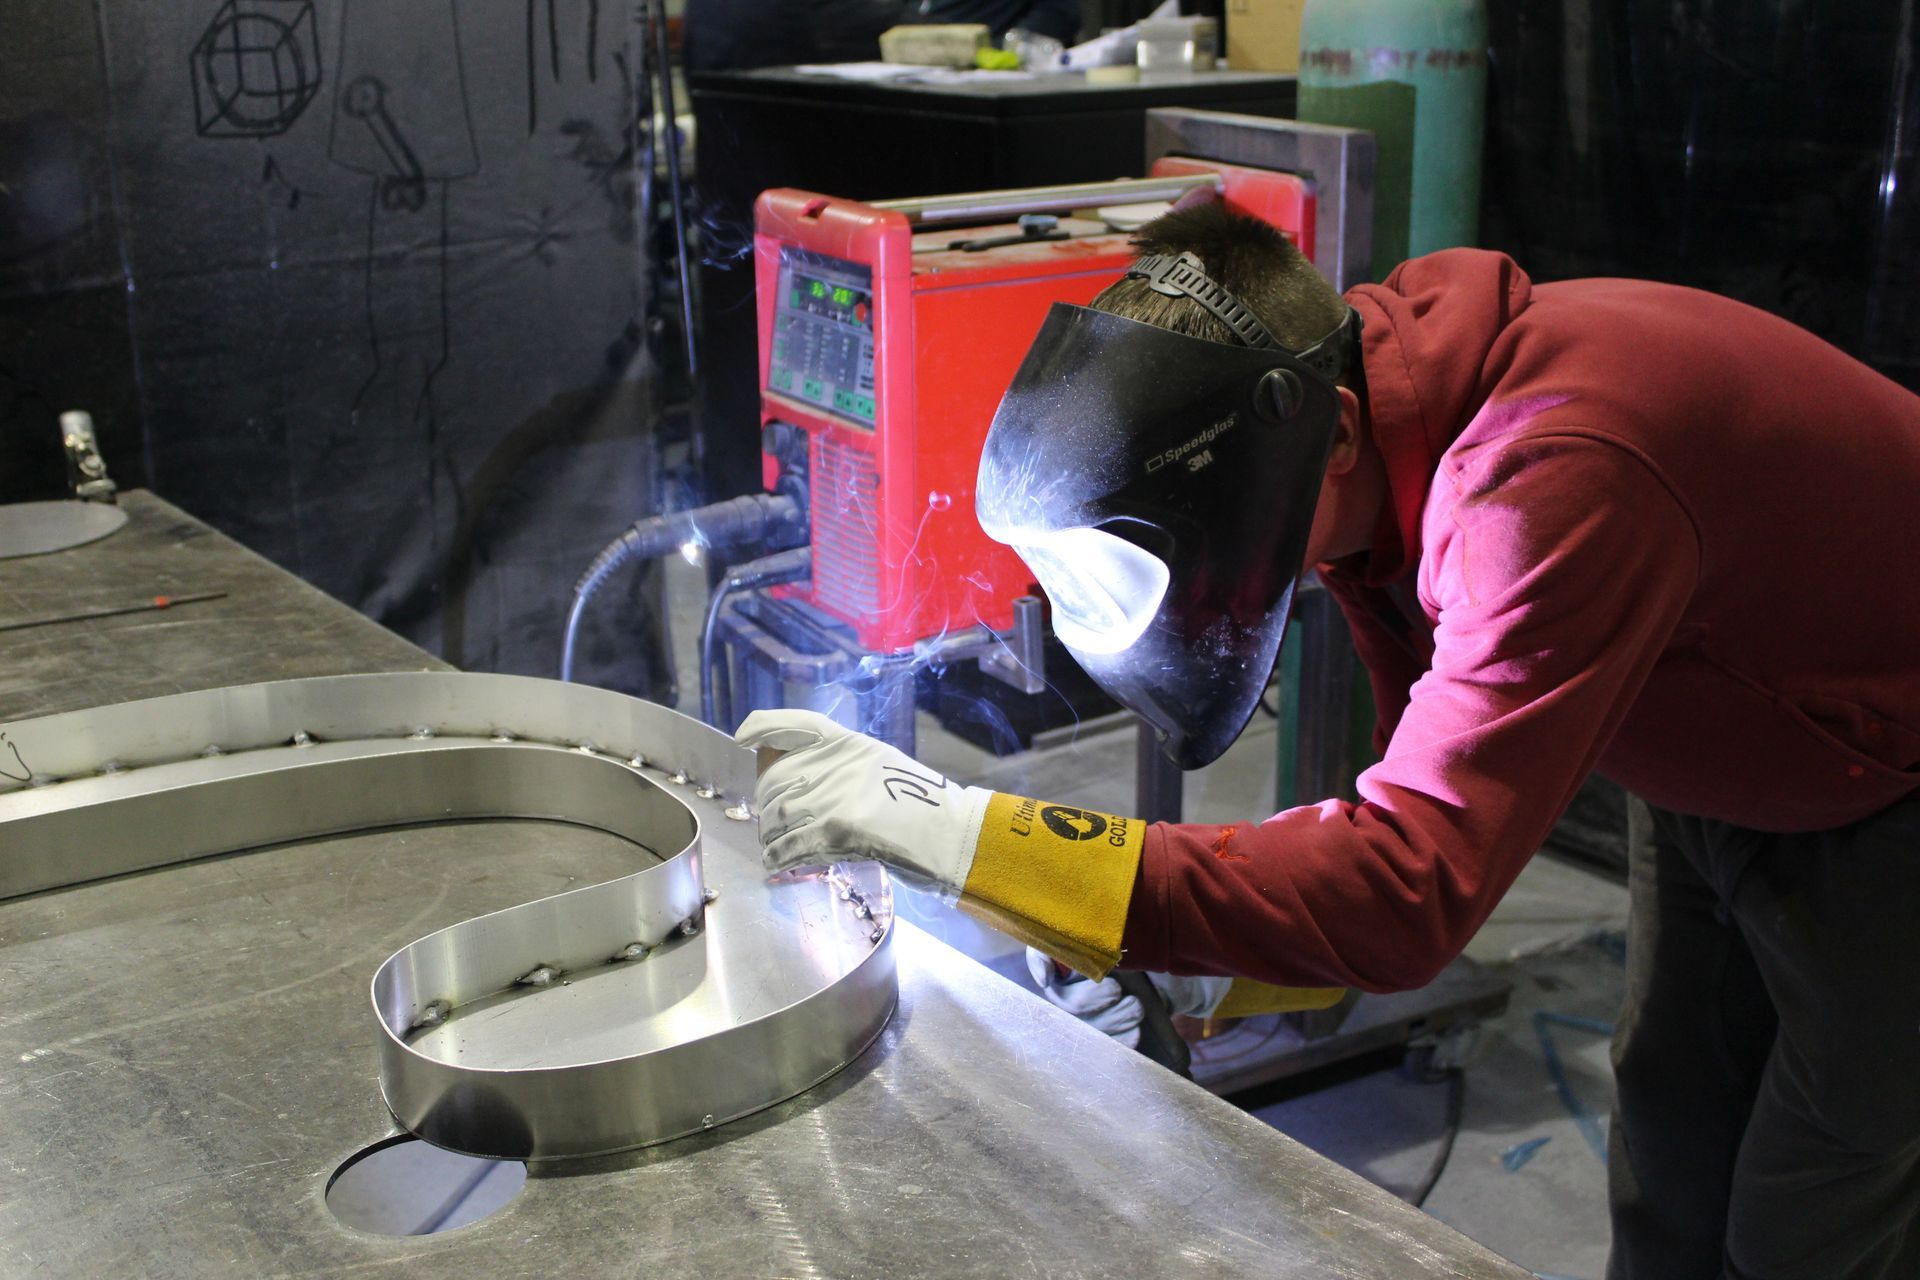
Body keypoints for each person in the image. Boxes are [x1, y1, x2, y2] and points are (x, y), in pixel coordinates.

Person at [735, 198, 1920, 1278]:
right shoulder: (1364, 462)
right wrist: (1158, 934)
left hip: (1890, 780)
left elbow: (1411, 887)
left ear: (1330, 433)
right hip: (1725, 740)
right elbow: (1395, 816)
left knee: (1808, 1220)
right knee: (1673, 1154)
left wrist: (972, 832)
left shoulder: (1542, 479)